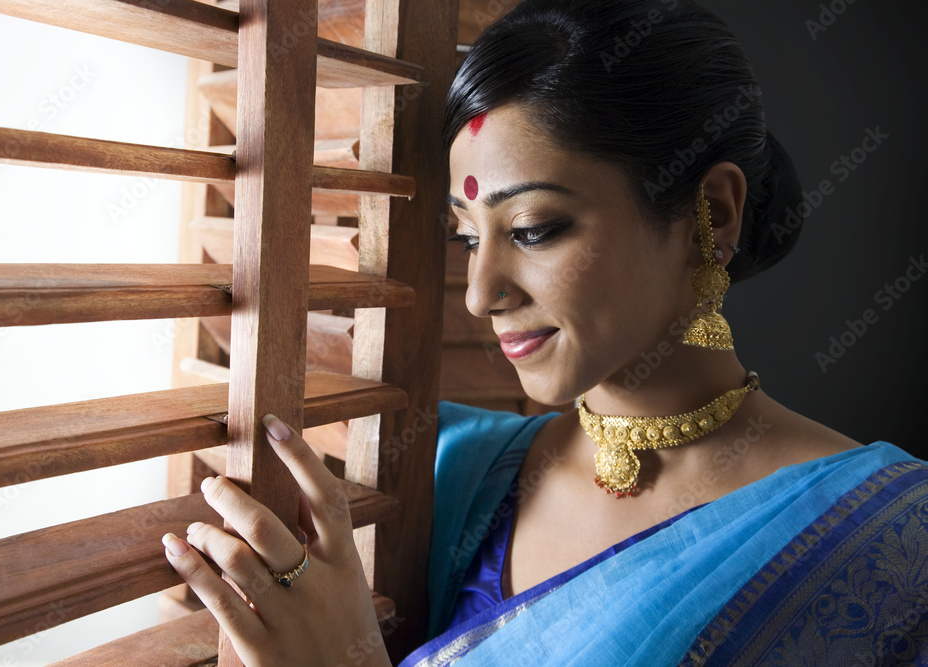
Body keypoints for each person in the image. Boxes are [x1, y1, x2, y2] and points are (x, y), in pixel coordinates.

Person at [161, 1, 928, 664]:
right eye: (468, 239)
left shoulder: (887, 537)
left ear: (714, 213)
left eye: (533, 228)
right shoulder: (450, 469)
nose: (480, 295)